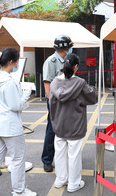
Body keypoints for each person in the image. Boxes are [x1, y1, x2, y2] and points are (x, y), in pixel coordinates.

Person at [0, 48, 36, 196]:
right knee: (17, 159)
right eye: (16, 61)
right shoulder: (9, 81)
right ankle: (19, 191)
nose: (17, 64)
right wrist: (27, 93)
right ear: (11, 62)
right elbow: (16, 106)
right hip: (10, 126)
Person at [50, 53, 97, 192]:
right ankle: (73, 183)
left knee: (59, 154)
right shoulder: (80, 83)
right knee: (74, 155)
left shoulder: (54, 83)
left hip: (58, 124)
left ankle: (60, 180)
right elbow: (93, 98)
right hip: (75, 125)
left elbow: (51, 102)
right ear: (76, 66)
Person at [41, 34, 73, 172]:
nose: (70, 49)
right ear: (64, 48)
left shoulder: (67, 61)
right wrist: (51, 100)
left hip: (66, 101)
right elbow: (47, 83)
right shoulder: (51, 61)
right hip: (55, 101)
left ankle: (63, 157)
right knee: (52, 130)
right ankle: (47, 160)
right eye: (69, 47)